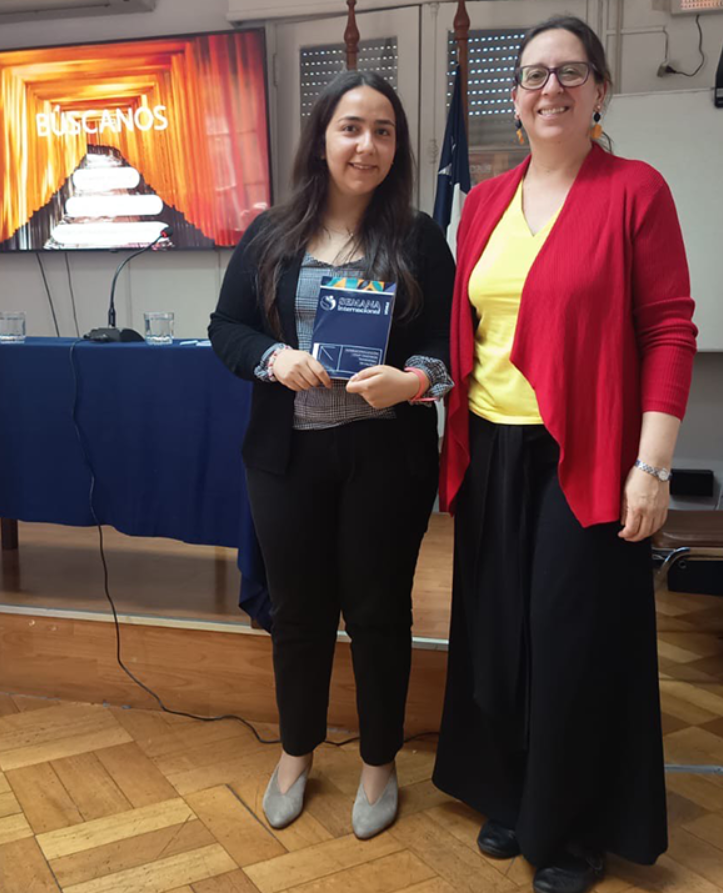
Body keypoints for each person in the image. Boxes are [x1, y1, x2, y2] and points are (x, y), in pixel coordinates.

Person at [433, 15, 698, 893]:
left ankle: (576, 822)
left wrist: (651, 464)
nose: (552, 87)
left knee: (571, 641)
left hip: (585, 455)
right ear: (514, 99)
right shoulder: (482, 203)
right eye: (536, 74)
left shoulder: (634, 190)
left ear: (600, 92)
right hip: (489, 450)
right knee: (499, 636)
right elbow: (472, 332)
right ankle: (514, 793)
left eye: (571, 73)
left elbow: (668, 330)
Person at [209, 70, 454, 840]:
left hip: (387, 462)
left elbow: (450, 348)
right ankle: (295, 753)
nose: (367, 144)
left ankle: (380, 763)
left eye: (384, 131)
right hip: (287, 461)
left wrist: (415, 379)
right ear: (322, 137)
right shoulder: (271, 233)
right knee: (298, 615)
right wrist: (273, 358)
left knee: (379, 614)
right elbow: (227, 328)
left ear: (397, 147)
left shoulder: (417, 236)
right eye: (352, 127)